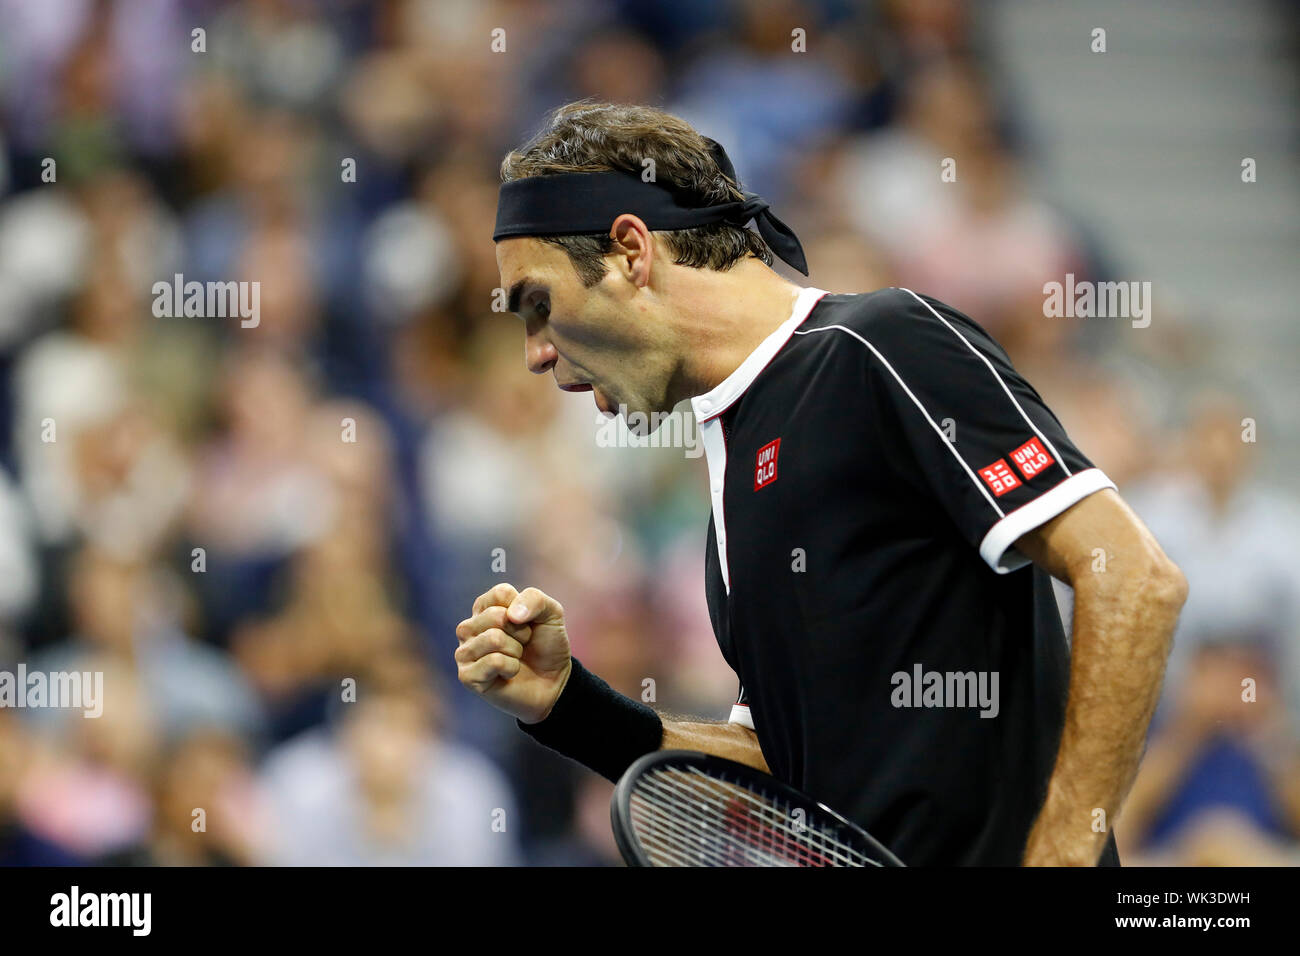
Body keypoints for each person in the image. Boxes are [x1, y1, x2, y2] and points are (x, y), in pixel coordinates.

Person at [456, 101, 1188, 866]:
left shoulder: (882, 347)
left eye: (537, 306)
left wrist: (1067, 850)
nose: (536, 356)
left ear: (631, 252)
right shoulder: (732, 471)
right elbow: (780, 769)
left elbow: (1134, 576)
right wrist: (571, 707)